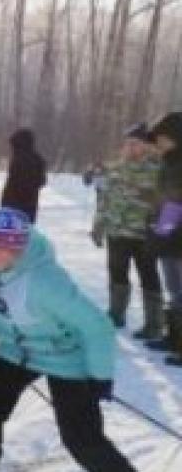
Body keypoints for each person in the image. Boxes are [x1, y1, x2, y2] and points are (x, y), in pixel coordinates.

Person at [0, 208, 151, 472]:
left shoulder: (45, 282)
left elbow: (97, 327)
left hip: (65, 356)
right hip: (17, 350)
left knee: (82, 438)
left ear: (16, 250)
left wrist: (100, 376)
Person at [91, 123, 162, 338]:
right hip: (117, 231)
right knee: (117, 273)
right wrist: (98, 224)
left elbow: (169, 202)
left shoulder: (158, 170)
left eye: (136, 144)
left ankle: (154, 324)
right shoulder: (116, 169)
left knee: (148, 275)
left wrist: (164, 230)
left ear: (146, 146)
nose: (130, 148)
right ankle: (116, 313)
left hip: (144, 234)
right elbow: (105, 198)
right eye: (127, 144)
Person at [147, 112, 182, 366]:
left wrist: (161, 232)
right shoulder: (168, 162)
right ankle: (174, 337)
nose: (158, 142)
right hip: (170, 238)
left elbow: (174, 202)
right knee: (174, 290)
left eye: (162, 137)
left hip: (176, 237)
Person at [1, 128, 47, 223]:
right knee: (26, 232)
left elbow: (13, 182)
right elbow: (42, 181)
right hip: (30, 204)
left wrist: (6, 201)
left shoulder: (18, 159)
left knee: (12, 233)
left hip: (13, 204)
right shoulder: (39, 159)